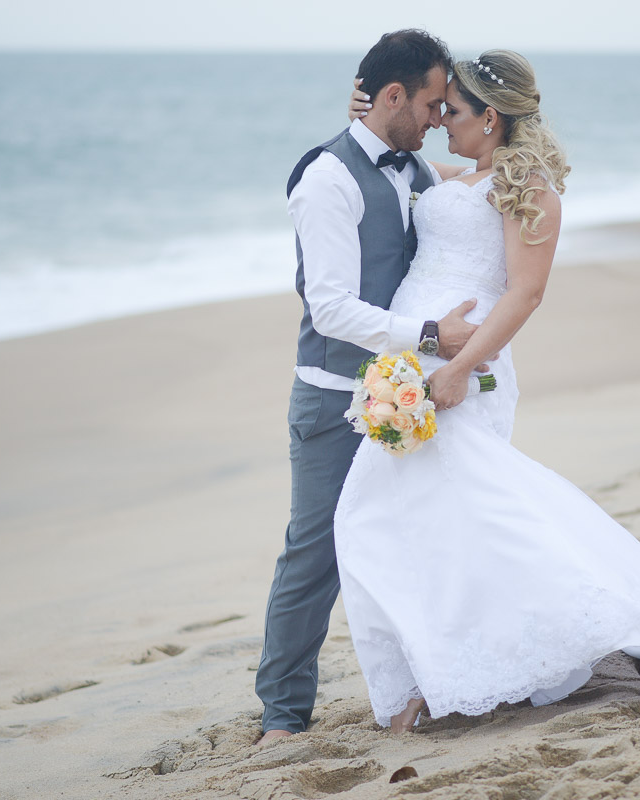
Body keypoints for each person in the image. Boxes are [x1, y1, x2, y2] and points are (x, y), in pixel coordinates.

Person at [333, 50, 640, 734]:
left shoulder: (528, 187)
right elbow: (398, 166)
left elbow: (526, 291)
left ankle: (593, 628)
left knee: (419, 514)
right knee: (425, 521)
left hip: (465, 373)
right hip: (413, 363)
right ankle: (445, 669)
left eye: (453, 111)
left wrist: (462, 366)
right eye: (435, 109)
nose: (439, 122)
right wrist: (368, 119)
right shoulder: (459, 175)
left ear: (490, 117)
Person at [254, 29, 499, 743]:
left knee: (419, 536)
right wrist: (431, 335)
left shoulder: (416, 168)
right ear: (390, 96)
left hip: (411, 389)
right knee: (316, 553)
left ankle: (427, 685)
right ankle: (282, 715)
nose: (435, 119)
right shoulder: (326, 179)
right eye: (428, 103)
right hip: (335, 395)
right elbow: (328, 306)